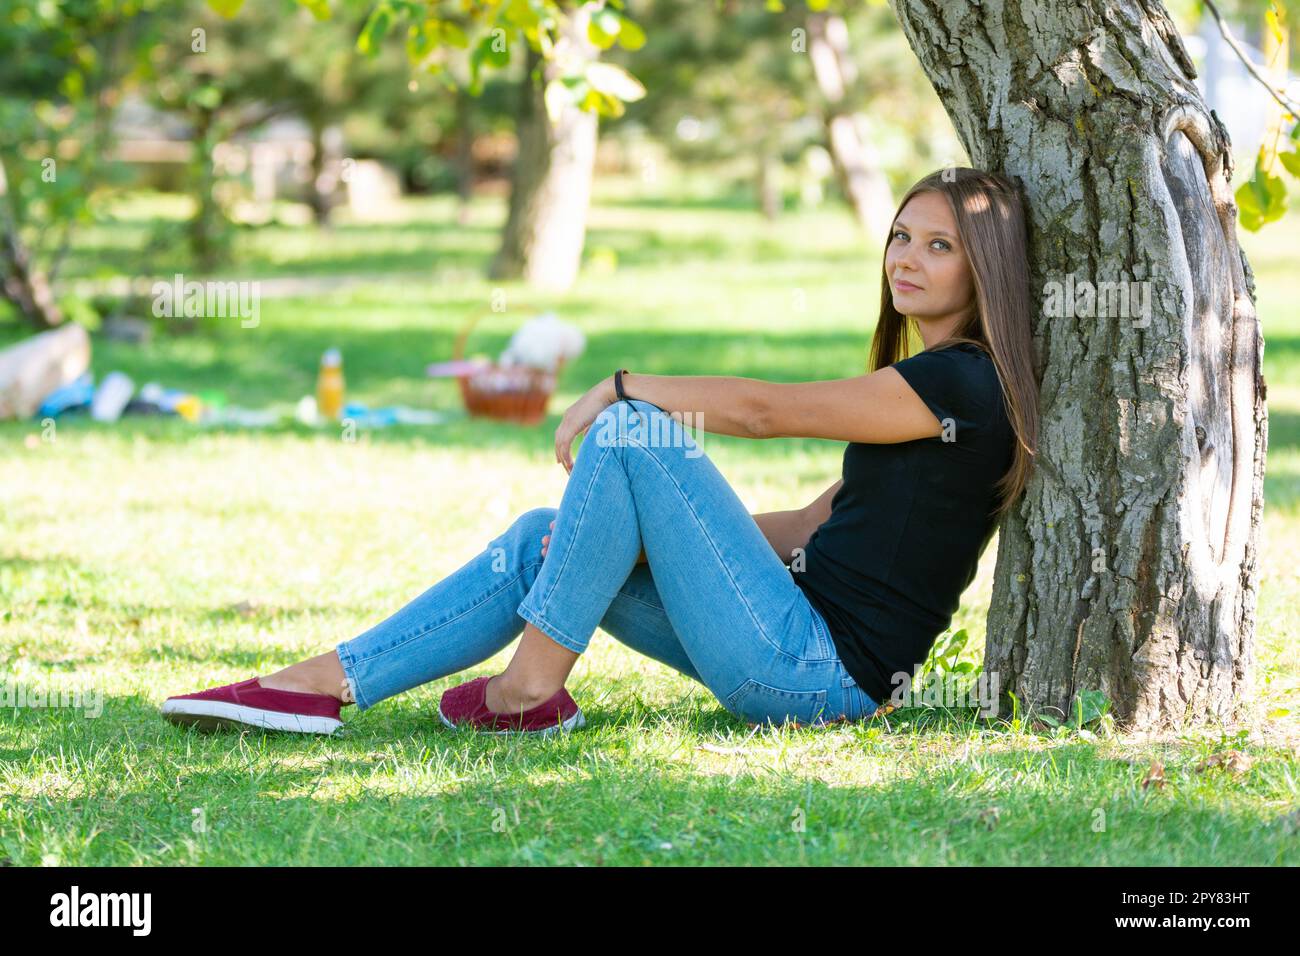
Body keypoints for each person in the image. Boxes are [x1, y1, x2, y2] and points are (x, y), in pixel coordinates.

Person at [160, 167, 1040, 737]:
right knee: (547, 537)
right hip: (777, 629)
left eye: (939, 246)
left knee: (631, 431)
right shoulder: (932, 378)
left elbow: (769, 411)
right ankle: (319, 684)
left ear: (986, 267)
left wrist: (623, 386)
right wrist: (619, 534)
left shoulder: (964, 385)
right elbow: (819, 522)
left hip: (816, 673)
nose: (907, 258)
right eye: (901, 235)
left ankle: (527, 691)